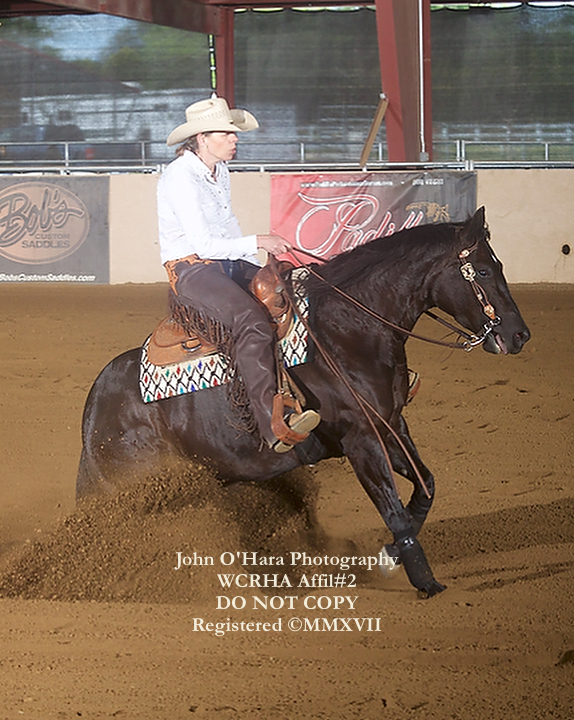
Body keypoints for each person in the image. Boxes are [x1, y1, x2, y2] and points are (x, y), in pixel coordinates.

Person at [157, 96, 321, 453]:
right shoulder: (180, 177)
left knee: (295, 288)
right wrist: (259, 241)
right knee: (251, 322)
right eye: (226, 134)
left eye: (234, 133)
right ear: (202, 138)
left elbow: (228, 226)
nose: (235, 139)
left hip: (226, 262)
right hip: (192, 270)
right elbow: (203, 243)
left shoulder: (220, 172)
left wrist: (259, 267)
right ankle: (272, 424)